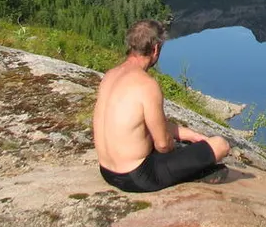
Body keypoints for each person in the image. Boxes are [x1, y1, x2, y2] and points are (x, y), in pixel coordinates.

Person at [93, 19, 231, 192]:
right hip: (138, 177)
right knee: (220, 145)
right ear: (156, 49)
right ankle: (196, 174)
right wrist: (179, 150)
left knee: (188, 147)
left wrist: (193, 136)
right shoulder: (146, 85)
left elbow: (145, 123)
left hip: (107, 171)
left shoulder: (110, 75)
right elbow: (163, 145)